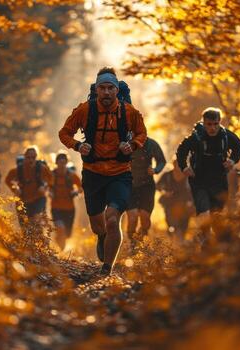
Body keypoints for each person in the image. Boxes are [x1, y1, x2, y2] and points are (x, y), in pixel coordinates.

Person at [59, 67, 147, 275]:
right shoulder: (84, 110)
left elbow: (142, 133)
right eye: (102, 88)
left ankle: (107, 268)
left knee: (112, 218)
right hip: (93, 173)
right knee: (99, 226)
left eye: (110, 88)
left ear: (117, 90)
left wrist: (132, 145)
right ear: (96, 90)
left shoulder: (129, 112)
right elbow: (64, 133)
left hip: (120, 173)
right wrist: (78, 146)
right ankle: (101, 237)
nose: (106, 92)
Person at [176, 107, 240, 241]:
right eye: (209, 124)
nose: (212, 128)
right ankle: (204, 240)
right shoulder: (196, 137)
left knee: (217, 214)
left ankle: (216, 244)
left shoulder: (226, 136)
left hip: (219, 179)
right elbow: (181, 151)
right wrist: (184, 168)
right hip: (199, 179)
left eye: (215, 124)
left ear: (219, 122)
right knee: (204, 211)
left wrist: (232, 160)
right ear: (203, 122)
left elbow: (238, 147)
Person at [126, 137, 166, 248]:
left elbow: (162, 161)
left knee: (145, 219)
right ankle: (132, 244)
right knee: (132, 217)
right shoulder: (126, 143)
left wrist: (155, 170)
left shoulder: (151, 144)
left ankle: (142, 241)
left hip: (147, 186)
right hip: (129, 186)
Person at [5, 146, 53, 222]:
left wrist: (45, 187)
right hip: (22, 200)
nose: (31, 160)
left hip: (38, 198)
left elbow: (51, 179)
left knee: (36, 220)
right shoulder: (18, 169)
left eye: (33, 157)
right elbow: (7, 180)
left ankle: (39, 231)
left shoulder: (41, 168)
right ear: (24, 157)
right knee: (25, 227)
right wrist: (15, 189)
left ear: (36, 157)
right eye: (28, 157)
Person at [49, 151, 83, 251]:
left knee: (67, 235)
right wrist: (49, 192)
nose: (62, 165)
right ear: (56, 163)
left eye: (64, 163)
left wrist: (76, 192)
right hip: (56, 207)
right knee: (60, 227)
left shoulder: (72, 175)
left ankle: (60, 241)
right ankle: (60, 247)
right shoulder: (52, 175)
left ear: (67, 163)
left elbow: (81, 187)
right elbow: (46, 185)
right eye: (60, 162)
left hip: (69, 208)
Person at [156, 158, 194, 241]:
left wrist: (191, 201)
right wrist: (164, 191)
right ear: (173, 164)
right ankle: (173, 237)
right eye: (177, 164)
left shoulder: (189, 175)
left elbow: (194, 188)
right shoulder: (167, 175)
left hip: (185, 203)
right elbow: (158, 186)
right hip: (169, 203)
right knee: (171, 222)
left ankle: (180, 240)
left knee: (184, 222)